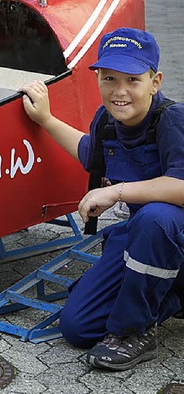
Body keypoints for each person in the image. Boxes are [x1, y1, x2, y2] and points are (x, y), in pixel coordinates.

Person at [20, 27, 184, 371]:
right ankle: (168, 295)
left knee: (157, 216)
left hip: (166, 232)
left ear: (155, 82)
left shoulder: (173, 118)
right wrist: (45, 120)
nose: (119, 91)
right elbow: (88, 153)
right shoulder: (107, 122)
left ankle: (134, 332)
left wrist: (115, 191)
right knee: (79, 327)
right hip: (143, 238)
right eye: (109, 78)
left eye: (132, 80)